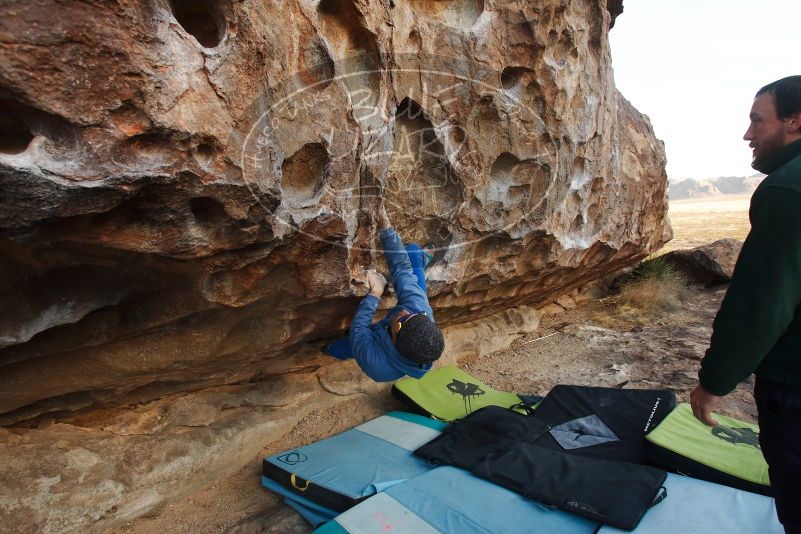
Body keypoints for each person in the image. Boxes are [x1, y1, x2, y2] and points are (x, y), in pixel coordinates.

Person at [690, 75, 801, 532]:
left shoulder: (786, 190)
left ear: (794, 122)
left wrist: (714, 381)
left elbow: (761, 303)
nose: (748, 134)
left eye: (758, 120)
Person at [323, 208, 445, 382]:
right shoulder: (419, 310)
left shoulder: (378, 367)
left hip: (373, 345)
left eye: (403, 321)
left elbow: (359, 329)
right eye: (413, 316)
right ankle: (418, 257)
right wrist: (386, 229)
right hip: (394, 330)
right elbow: (402, 269)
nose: (404, 314)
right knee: (411, 252)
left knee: (348, 345)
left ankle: (329, 350)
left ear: (395, 339)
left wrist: (375, 293)